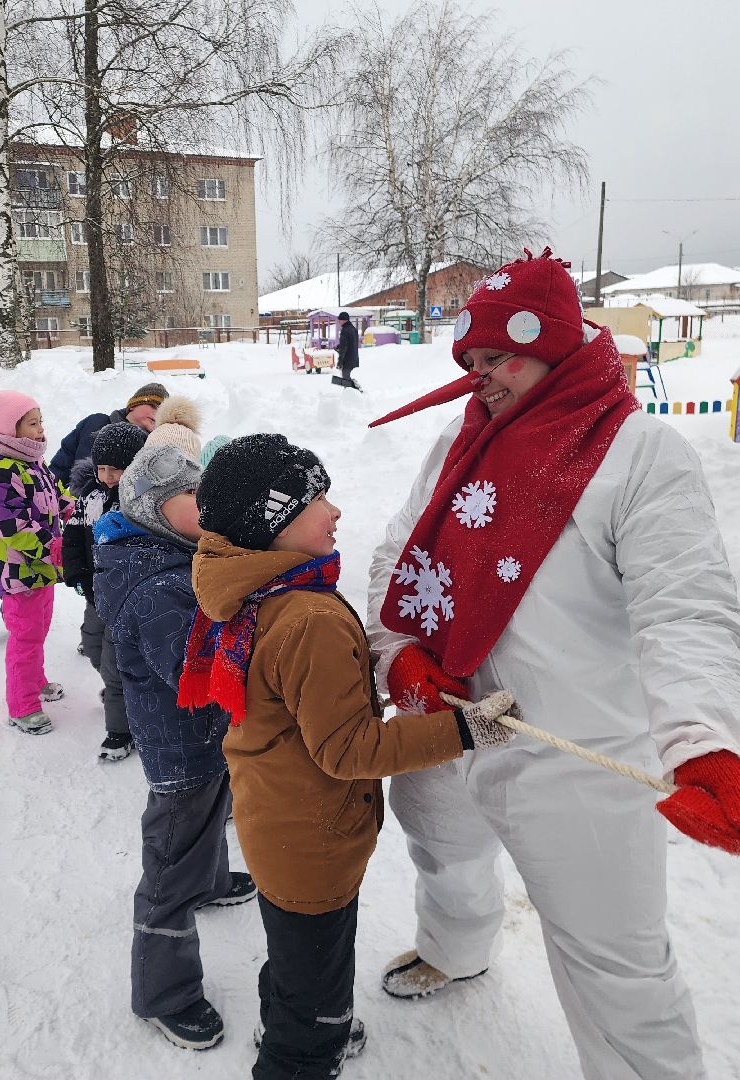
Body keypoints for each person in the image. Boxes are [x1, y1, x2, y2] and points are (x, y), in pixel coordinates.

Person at [364, 250, 740, 1080]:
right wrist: (399, 652)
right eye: (469, 364)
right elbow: (398, 549)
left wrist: (704, 741)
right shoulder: (461, 436)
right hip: (453, 719)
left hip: (578, 755)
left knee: (618, 961)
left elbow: (686, 605)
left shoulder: (642, 453)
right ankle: (457, 948)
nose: (480, 379)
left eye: (494, 359)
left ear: (552, 344)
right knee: (442, 851)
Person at [185, 434, 516, 1080]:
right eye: (317, 500)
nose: (335, 512)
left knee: (296, 957)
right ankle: (305, 1044)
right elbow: (349, 750)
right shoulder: (306, 617)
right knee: (316, 980)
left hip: (276, 827)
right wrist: (465, 730)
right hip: (312, 846)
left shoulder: (264, 591)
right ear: (272, 522)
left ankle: (294, 1014)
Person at [91, 442, 257, 1052]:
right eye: (195, 496)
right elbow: (194, 670)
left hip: (205, 744)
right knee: (171, 865)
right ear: (156, 508)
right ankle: (163, 992)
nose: (208, 504)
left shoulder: (173, 554)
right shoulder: (159, 585)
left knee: (212, 819)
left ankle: (210, 881)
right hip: (181, 749)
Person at [0, 379, 74, 735]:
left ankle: (35, 680)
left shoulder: (34, 462)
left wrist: (78, 510)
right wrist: (52, 545)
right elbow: (12, 526)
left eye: (41, 420)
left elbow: (58, 498)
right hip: (18, 571)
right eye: (32, 423)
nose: (41, 429)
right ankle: (22, 705)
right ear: (9, 428)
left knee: (38, 630)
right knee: (25, 636)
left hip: (43, 568)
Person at [62, 420, 148, 761]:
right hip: (97, 593)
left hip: (126, 597)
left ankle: (120, 731)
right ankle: (120, 695)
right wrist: (77, 573)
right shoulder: (91, 497)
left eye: (117, 469)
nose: (108, 476)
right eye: (102, 469)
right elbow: (73, 536)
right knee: (94, 646)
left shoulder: (142, 498)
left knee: (115, 666)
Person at [49, 382, 167, 484]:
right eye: (153, 406)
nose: (157, 413)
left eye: (162, 410)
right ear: (133, 406)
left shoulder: (155, 445)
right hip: (77, 505)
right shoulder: (95, 423)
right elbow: (59, 468)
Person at [331, 312, 360, 390]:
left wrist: (340, 362)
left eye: (340, 319)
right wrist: (339, 346)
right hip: (353, 357)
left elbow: (344, 348)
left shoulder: (345, 330)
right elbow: (349, 343)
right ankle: (353, 390)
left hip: (348, 358)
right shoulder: (352, 328)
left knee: (346, 378)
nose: (339, 321)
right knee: (346, 377)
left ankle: (355, 391)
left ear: (344, 320)